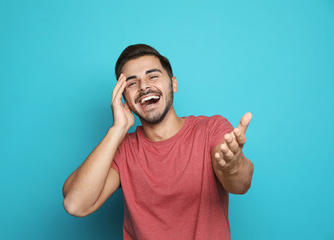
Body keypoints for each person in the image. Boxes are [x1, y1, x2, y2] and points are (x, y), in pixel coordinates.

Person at [62, 44, 254, 240]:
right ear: (124, 98)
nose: (144, 86)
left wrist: (232, 166)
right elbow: (75, 204)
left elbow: (240, 185)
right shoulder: (123, 150)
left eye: (152, 76)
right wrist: (117, 129)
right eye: (132, 83)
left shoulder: (210, 129)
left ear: (174, 84)